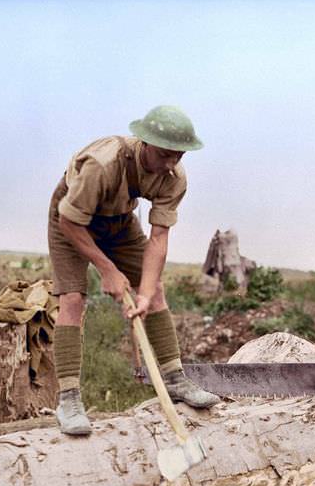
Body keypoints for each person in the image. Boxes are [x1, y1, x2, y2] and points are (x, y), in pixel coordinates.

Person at [48, 104, 221, 436]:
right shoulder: (103, 164)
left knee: (155, 290)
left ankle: (173, 378)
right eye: (164, 154)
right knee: (72, 299)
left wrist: (143, 292)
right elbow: (69, 221)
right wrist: (107, 269)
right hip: (71, 219)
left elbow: (158, 237)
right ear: (144, 143)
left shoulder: (174, 177)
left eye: (179, 156)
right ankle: (68, 399)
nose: (170, 164)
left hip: (119, 219)